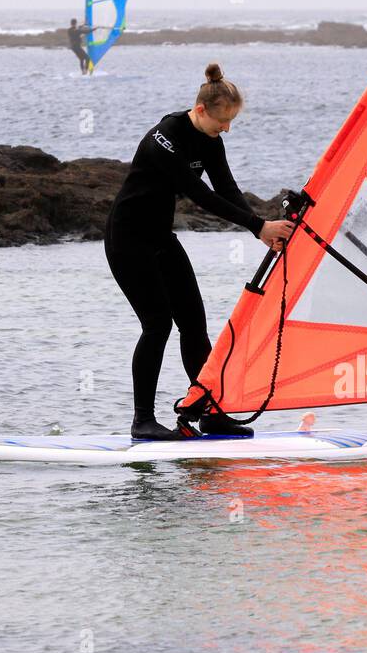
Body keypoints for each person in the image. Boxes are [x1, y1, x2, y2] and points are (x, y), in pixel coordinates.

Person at [105, 63, 293, 440]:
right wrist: (258, 228)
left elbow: (226, 189)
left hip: (160, 237)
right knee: (156, 324)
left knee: (194, 324)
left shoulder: (211, 140)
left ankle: (207, 411)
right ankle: (143, 421)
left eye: (231, 122)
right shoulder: (165, 137)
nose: (227, 128)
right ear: (202, 110)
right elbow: (199, 194)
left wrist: (261, 224)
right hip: (128, 239)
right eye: (223, 120)